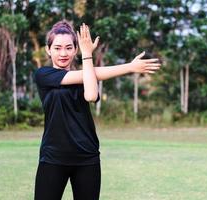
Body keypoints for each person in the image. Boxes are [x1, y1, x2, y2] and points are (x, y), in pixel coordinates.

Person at [34, 20, 160, 200]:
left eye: (69, 48)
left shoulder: (87, 75)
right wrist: (129, 67)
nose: (63, 53)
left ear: (76, 49)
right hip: (53, 157)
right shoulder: (43, 75)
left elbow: (91, 95)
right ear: (48, 50)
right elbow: (89, 74)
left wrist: (87, 55)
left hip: (86, 157)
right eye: (57, 48)